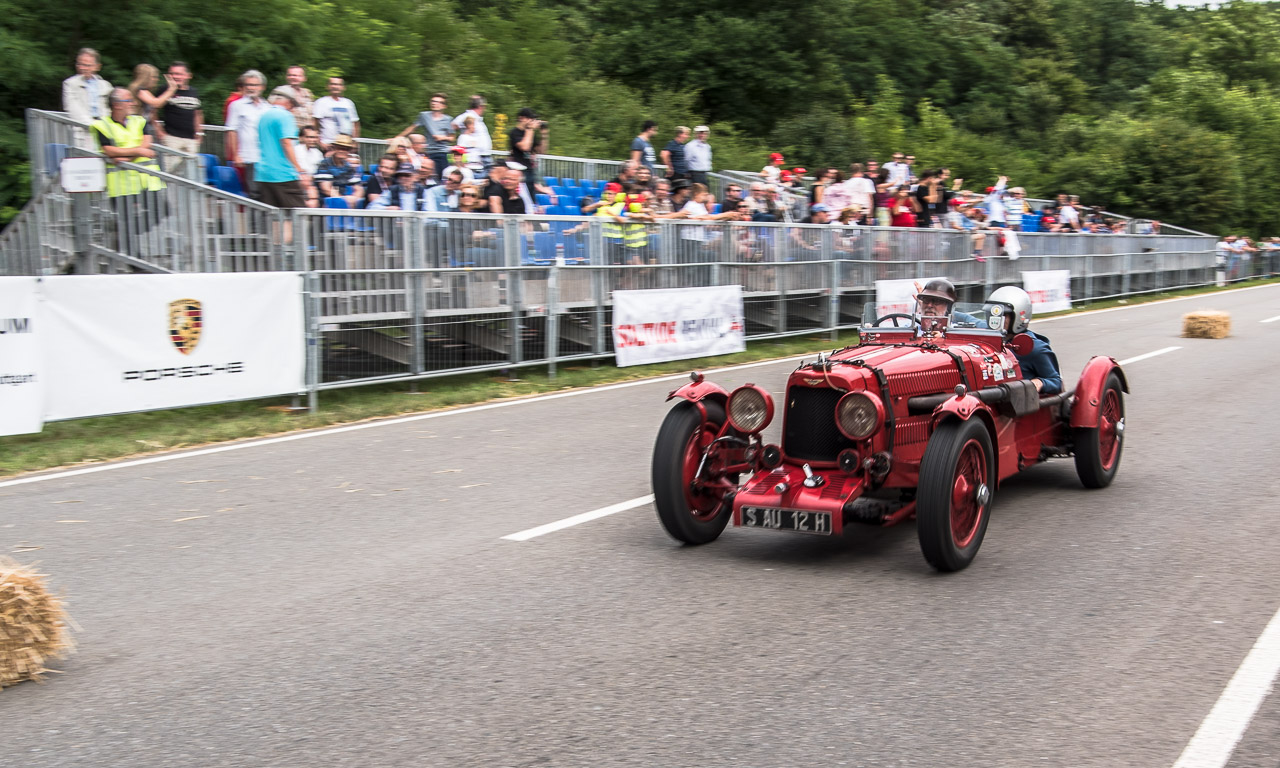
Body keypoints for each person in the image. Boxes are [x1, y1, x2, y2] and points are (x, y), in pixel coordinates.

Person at [986, 286, 1062, 394]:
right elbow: (969, 319)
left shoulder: (1034, 348)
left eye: (1003, 315)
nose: (995, 320)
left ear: (1018, 316)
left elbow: (1056, 382)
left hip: (1020, 404)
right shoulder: (986, 338)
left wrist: (1039, 382)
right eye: (992, 314)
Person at [255, 87, 310, 213]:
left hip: (264, 173)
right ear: (288, 101)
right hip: (283, 174)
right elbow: (286, 143)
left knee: (273, 216)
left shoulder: (264, 116)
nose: (293, 108)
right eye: (293, 105)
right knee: (300, 215)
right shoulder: (285, 116)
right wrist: (298, 168)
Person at [224, 70, 270, 199]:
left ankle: (265, 219)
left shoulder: (267, 107)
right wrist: (236, 155)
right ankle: (254, 220)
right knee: (254, 193)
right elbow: (231, 131)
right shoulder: (236, 105)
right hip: (248, 156)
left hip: (265, 157)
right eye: (248, 85)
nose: (251, 88)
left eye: (255, 85)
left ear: (262, 87)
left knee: (266, 193)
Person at [156, 61, 203, 174]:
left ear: (188, 75)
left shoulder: (193, 91)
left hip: (191, 140)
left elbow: (198, 113)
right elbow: (152, 111)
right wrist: (159, 132)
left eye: (179, 74)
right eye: (172, 73)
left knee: (191, 175)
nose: (175, 76)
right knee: (171, 175)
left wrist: (200, 134)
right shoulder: (164, 90)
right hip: (172, 139)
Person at [395, 92, 452, 179]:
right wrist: (397, 138)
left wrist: (443, 137)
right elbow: (412, 128)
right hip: (428, 152)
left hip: (442, 152)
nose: (434, 103)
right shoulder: (424, 116)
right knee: (428, 176)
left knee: (442, 177)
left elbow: (452, 138)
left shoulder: (448, 119)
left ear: (444, 106)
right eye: (433, 101)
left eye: (438, 102)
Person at [63, 48, 112, 149]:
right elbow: (72, 108)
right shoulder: (70, 83)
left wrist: (106, 124)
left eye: (87, 65)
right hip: (83, 130)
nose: (82, 68)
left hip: (105, 129)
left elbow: (111, 107)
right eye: (79, 64)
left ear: (97, 67)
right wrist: (93, 125)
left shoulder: (105, 85)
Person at [314, 135, 365, 208]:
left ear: (349, 151)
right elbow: (326, 189)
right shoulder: (325, 164)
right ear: (334, 148)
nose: (342, 151)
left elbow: (359, 188)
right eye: (339, 148)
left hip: (342, 200)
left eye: (345, 149)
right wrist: (344, 200)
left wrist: (354, 198)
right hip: (325, 200)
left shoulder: (349, 167)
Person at [129, 64, 177, 137]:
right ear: (146, 77)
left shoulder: (144, 91)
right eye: (154, 77)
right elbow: (156, 103)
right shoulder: (140, 90)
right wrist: (171, 89)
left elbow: (157, 105)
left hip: (141, 126)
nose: (156, 79)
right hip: (135, 127)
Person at [509, 108, 549, 192]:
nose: (532, 121)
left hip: (530, 169)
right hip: (519, 170)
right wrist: (530, 129)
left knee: (531, 197)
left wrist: (544, 134)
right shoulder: (514, 132)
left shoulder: (531, 133)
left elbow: (542, 151)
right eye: (530, 118)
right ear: (521, 118)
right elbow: (525, 147)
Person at [450, 95, 491, 175]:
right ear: (480, 106)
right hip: (476, 157)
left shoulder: (478, 119)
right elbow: (452, 126)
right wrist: (463, 134)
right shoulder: (467, 116)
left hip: (483, 155)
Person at [313, 76, 360, 146]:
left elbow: (355, 124)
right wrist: (320, 142)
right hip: (328, 143)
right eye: (333, 84)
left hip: (346, 144)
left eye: (339, 84)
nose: (335, 87)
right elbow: (315, 124)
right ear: (327, 86)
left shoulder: (348, 103)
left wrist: (355, 142)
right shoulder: (321, 102)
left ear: (343, 87)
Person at [280, 65, 315, 130]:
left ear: (304, 78)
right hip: (290, 133)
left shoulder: (308, 93)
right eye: (289, 75)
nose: (292, 77)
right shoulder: (281, 92)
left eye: (296, 75)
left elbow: (312, 115)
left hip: (306, 135)